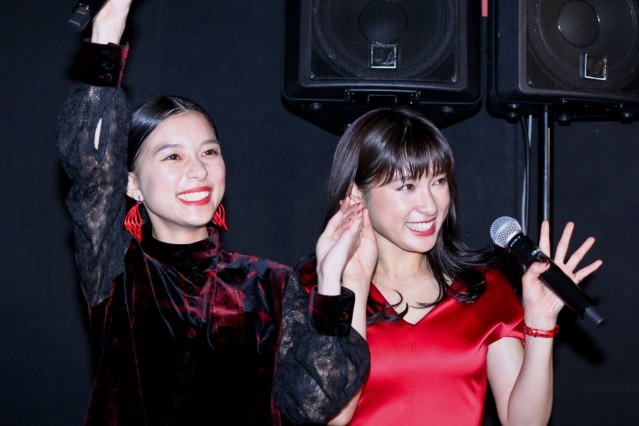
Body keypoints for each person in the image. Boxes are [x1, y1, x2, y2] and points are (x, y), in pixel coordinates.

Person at [273, 107, 603, 425]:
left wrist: (540, 325)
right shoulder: (317, 286)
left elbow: (524, 422)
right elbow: (335, 415)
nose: (430, 205)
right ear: (357, 194)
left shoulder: (482, 287)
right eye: (407, 186)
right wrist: (352, 283)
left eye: (439, 181)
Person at [57, 1, 297, 423]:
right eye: (172, 157)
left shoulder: (272, 284)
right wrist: (109, 24)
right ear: (131, 183)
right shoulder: (116, 272)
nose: (198, 170)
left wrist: (340, 284)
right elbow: (92, 171)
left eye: (209, 152)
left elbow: (317, 404)